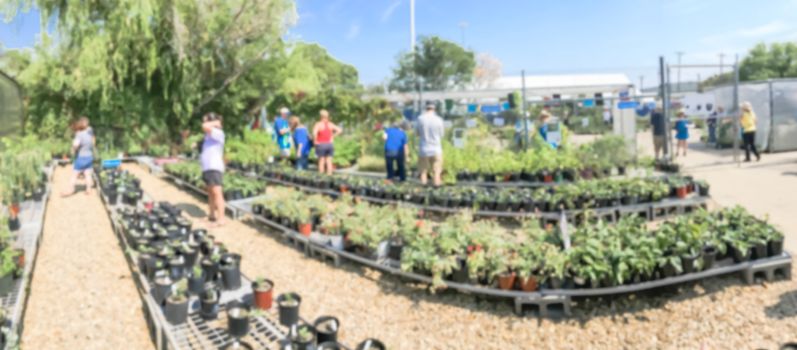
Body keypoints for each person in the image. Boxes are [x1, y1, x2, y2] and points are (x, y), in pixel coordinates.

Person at [200, 112, 226, 227]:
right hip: (207, 167)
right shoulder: (208, 136)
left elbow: (204, 126)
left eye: (207, 120)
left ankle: (221, 219)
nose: (205, 122)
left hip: (214, 167)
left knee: (217, 193)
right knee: (210, 192)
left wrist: (216, 122)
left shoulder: (218, 133)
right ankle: (212, 215)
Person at [62, 116, 96, 197]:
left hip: (81, 157)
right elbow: (93, 142)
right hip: (89, 157)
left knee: (74, 174)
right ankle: (88, 189)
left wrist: (72, 150)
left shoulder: (79, 135)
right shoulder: (89, 133)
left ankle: (71, 189)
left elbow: (75, 145)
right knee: (88, 174)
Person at [415, 102, 445, 186]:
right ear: (434, 109)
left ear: (425, 108)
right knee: (437, 171)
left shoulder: (420, 119)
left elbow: (417, 133)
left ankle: (423, 189)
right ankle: (436, 188)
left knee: (423, 171)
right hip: (436, 148)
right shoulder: (439, 119)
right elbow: (442, 134)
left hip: (424, 148)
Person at [312, 109, 342, 175]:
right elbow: (340, 130)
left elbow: (314, 133)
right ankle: (329, 176)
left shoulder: (318, 124)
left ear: (320, 116)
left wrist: (315, 141)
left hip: (321, 144)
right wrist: (333, 136)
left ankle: (321, 178)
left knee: (321, 162)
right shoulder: (330, 124)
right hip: (329, 144)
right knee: (329, 162)